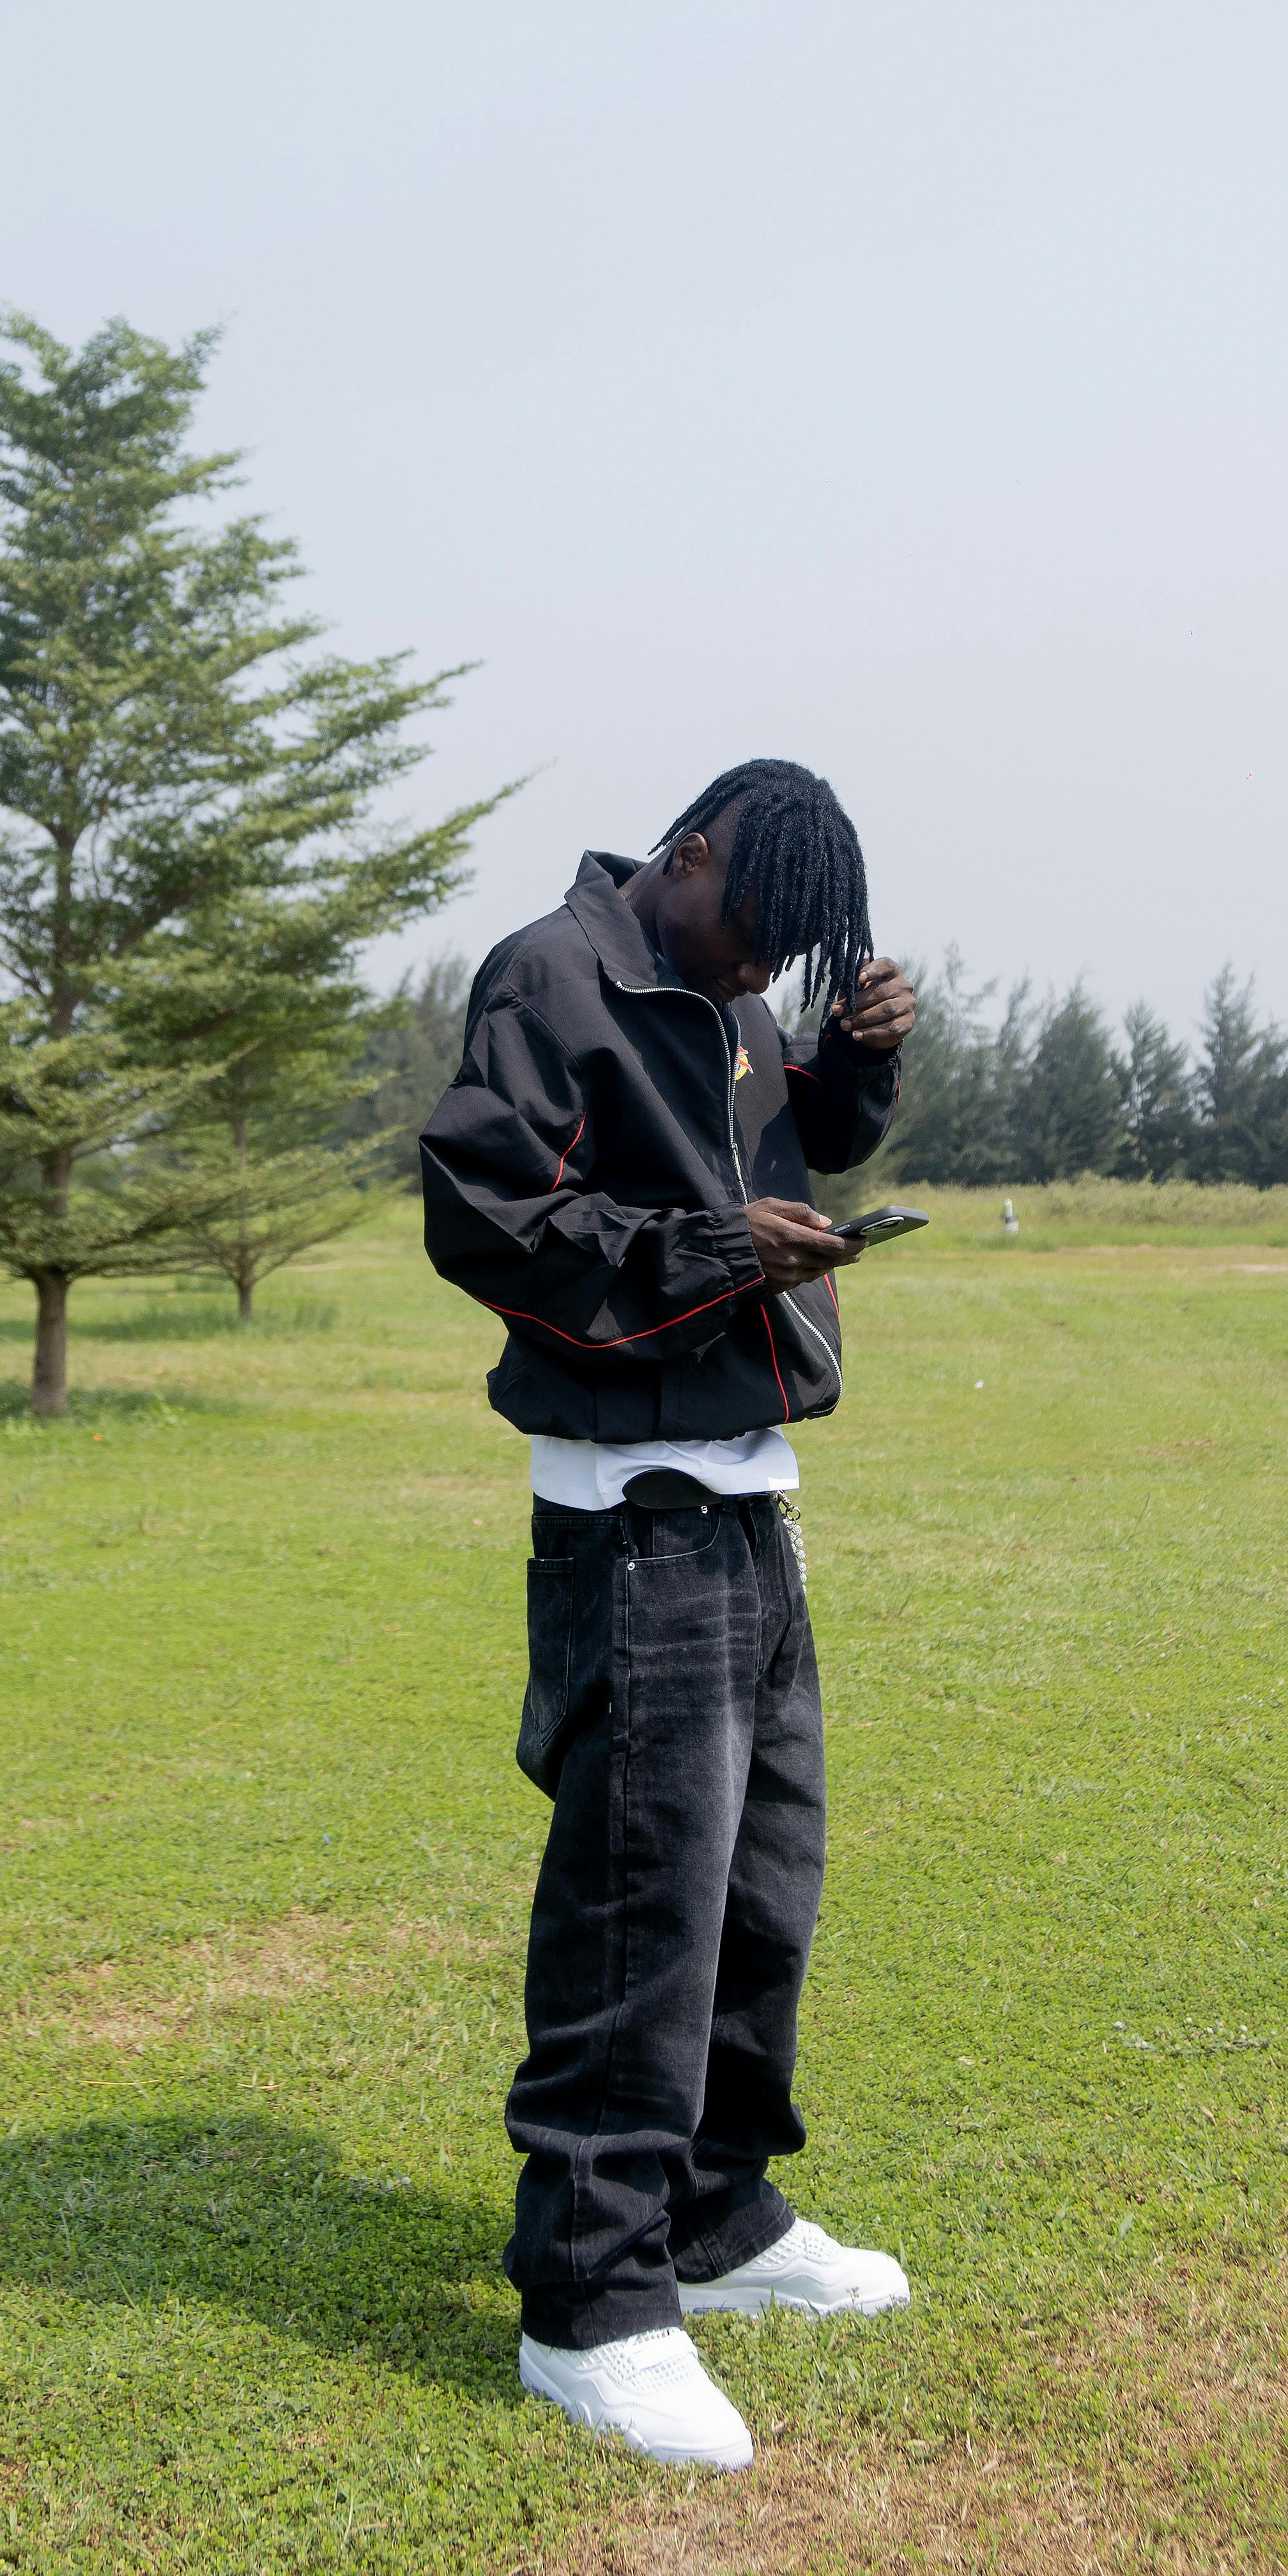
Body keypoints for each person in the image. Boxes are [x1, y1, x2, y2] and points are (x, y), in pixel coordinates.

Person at [418, 758, 919, 2472]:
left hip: (753, 1507)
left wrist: (853, 1059)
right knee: (645, 1914)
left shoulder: (727, 993)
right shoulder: (551, 976)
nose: (754, 979)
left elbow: (803, 1144)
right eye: (750, 937)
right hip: (633, 1524)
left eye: (788, 961)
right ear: (690, 852)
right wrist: (715, 1252)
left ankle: (719, 2219)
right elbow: (486, 1215)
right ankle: (590, 2305)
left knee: (762, 1896)